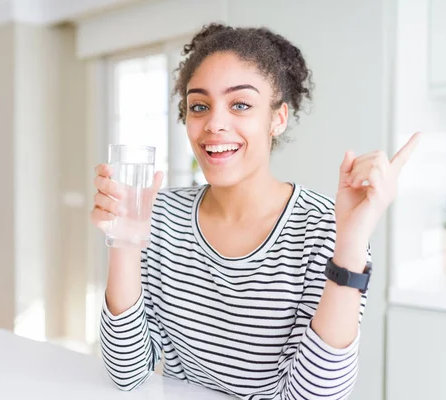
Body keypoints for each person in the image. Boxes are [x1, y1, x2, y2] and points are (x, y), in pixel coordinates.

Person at [91, 23, 420, 400]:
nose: (214, 123)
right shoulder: (160, 214)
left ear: (277, 118)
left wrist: (352, 242)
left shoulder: (324, 228)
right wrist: (125, 245)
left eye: (241, 105)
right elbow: (126, 372)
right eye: (199, 105)